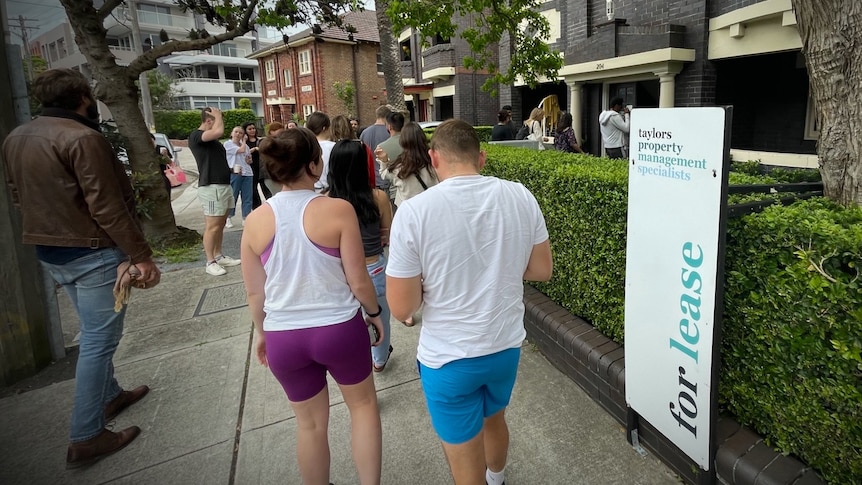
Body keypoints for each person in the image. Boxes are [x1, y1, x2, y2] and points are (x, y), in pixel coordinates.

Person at [2, 68, 160, 469]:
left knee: (93, 334)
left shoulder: (17, 137)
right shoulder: (83, 138)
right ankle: (86, 435)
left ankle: (109, 396)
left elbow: (18, 195)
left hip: (51, 250)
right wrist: (140, 255)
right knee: (98, 342)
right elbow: (106, 206)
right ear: (83, 97)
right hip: (92, 252)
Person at [386, 119, 553, 485]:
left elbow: (401, 308)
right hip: (505, 346)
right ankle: (498, 478)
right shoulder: (520, 195)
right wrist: (501, 267)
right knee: (495, 419)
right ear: (482, 158)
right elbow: (541, 269)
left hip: (448, 359)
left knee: (464, 466)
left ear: (434, 158)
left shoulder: (414, 212)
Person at [241, 127, 384, 485]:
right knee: (363, 409)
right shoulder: (337, 210)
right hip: (338, 329)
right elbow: (358, 279)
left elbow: (255, 294)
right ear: (314, 164)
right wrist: (375, 313)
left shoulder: (254, 221)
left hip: (283, 338)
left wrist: (262, 334)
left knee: (309, 425)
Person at [327, 140, 394, 371]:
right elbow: (387, 232)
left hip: (341, 271)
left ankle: (356, 358)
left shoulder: (326, 201)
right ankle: (379, 358)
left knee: (347, 319)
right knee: (380, 317)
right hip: (373, 267)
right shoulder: (377, 198)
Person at [188, 107, 242, 276]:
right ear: (209, 121)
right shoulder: (196, 136)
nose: (220, 124)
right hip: (211, 187)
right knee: (212, 226)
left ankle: (219, 256)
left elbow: (216, 162)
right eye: (218, 120)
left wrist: (232, 170)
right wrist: (218, 115)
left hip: (224, 185)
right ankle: (210, 261)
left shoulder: (213, 143)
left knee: (220, 225)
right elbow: (218, 131)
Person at [378, 122, 439, 208]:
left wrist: (384, 161)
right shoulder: (433, 163)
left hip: (407, 212)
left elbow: (384, 174)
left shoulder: (399, 168)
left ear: (403, 141)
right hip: (430, 209)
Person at [224, 126, 254, 227]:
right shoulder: (228, 144)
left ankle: (246, 217)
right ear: (231, 133)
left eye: (240, 133)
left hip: (247, 173)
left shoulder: (246, 147)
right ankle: (228, 217)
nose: (238, 134)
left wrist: (249, 160)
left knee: (247, 197)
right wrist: (245, 142)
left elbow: (248, 159)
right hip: (235, 172)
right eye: (236, 132)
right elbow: (240, 150)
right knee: (233, 196)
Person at [375, 111, 405, 205]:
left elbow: (383, 173)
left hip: (393, 190)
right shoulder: (411, 144)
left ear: (389, 126)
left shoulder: (381, 148)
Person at [359, 105, 392, 191]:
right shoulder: (390, 132)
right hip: (385, 178)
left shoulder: (365, 132)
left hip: (369, 178)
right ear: (387, 117)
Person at [305, 111, 335, 191]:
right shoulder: (333, 147)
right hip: (329, 190)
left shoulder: (304, 146)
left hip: (308, 190)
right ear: (324, 128)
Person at [243, 121, 270, 204]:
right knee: (253, 189)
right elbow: (243, 152)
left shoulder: (260, 140)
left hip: (261, 167)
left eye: (253, 128)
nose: (252, 130)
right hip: (251, 167)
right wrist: (254, 149)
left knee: (266, 188)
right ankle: (256, 206)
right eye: (249, 129)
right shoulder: (244, 142)